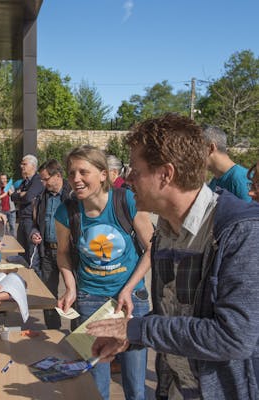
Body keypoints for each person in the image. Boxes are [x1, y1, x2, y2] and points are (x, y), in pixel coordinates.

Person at [86, 114, 259, 400]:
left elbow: (234, 337)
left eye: (135, 170)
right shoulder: (164, 231)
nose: (127, 178)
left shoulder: (241, 231)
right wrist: (128, 339)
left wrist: (137, 329)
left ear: (166, 174)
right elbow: (176, 317)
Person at [55, 145, 154, 400]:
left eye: (83, 172)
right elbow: (63, 253)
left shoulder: (126, 200)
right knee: (95, 384)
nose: (76, 179)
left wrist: (129, 288)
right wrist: (71, 286)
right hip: (90, 300)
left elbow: (152, 248)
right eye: (71, 173)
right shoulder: (66, 211)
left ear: (103, 174)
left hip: (132, 300)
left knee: (135, 385)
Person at [30, 159, 72, 329]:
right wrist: (34, 232)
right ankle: (53, 332)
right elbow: (34, 222)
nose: (43, 182)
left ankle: (77, 337)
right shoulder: (42, 197)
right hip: (47, 252)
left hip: (69, 253)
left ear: (58, 176)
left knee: (74, 293)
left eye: (46, 179)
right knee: (49, 295)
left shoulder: (72, 195)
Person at [203, 125, 252, 201]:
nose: (193, 155)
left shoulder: (240, 179)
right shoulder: (215, 181)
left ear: (211, 148)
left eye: (197, 149)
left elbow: (252, 212)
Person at [11, 154, 44, 267]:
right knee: (21, 251)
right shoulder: (24, 182)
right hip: (22, 220)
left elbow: (29, 197)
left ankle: (33, 280)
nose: (21, 166)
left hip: (31, 221)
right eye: (21, 164)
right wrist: (21, 194)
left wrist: (21, 194)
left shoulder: (38, 180)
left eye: (24, 164)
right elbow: (12, 197)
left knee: (31, 255)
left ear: (33, 166)